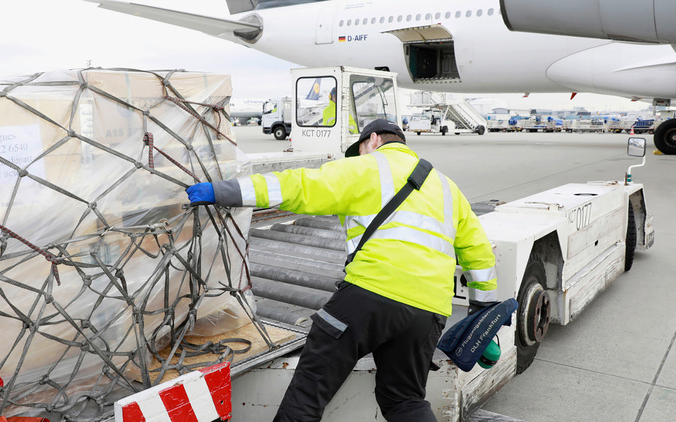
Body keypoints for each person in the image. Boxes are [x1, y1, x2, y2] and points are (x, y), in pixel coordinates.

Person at [185, 119, 497, 422]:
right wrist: (481, 308)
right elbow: (478, 252)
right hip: (428, 312)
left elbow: (299, 186)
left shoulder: (368, 166)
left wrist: (225, 191)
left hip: (369, 296)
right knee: (404, 400)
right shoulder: (447, 187)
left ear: (372, 141)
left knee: (308, 396)